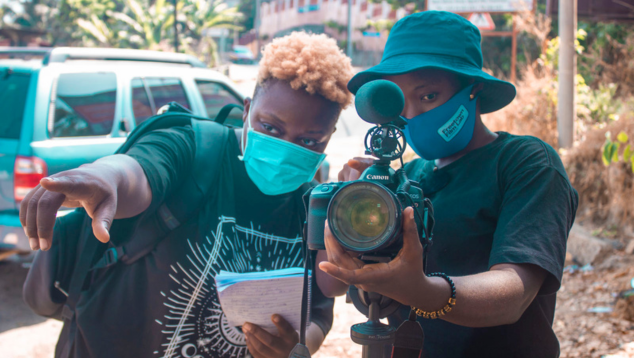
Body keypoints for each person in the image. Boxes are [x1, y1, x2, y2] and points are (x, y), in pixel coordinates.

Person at [21, 32, 353, 358]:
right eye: (270, 128)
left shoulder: (313, 207)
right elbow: (138, 170)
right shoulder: (195, 148)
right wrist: (102, 177)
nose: (285, 149)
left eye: (309, 141)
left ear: (329, 136)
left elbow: (319, 309)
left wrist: (295, 348)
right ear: (248, 109)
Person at [316, 11, 579, 358]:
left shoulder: (525, 163)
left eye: (428, 97)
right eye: (400, 101)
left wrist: (424, 291)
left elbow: (514, 293)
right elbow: (331, 282)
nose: (413, 114)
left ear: (475, 90)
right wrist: (340, 210)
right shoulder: (400, 179)